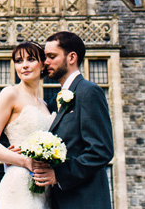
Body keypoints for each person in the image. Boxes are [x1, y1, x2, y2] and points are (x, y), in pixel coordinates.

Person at [33, 31, 114, 209]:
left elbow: (101, 150)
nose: (45, 62)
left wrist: (59, 175)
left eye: (51, 56)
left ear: (71, 57)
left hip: (85, 201)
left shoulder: (89, 92)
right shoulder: (55, 100)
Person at [0, 41, 55, 209]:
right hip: (18, 184)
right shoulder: (10, 94)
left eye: (30, 59)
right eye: (19, 61)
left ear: (43, 64)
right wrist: (24, 161)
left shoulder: (44, 105)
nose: (24, 66)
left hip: (43, 187)